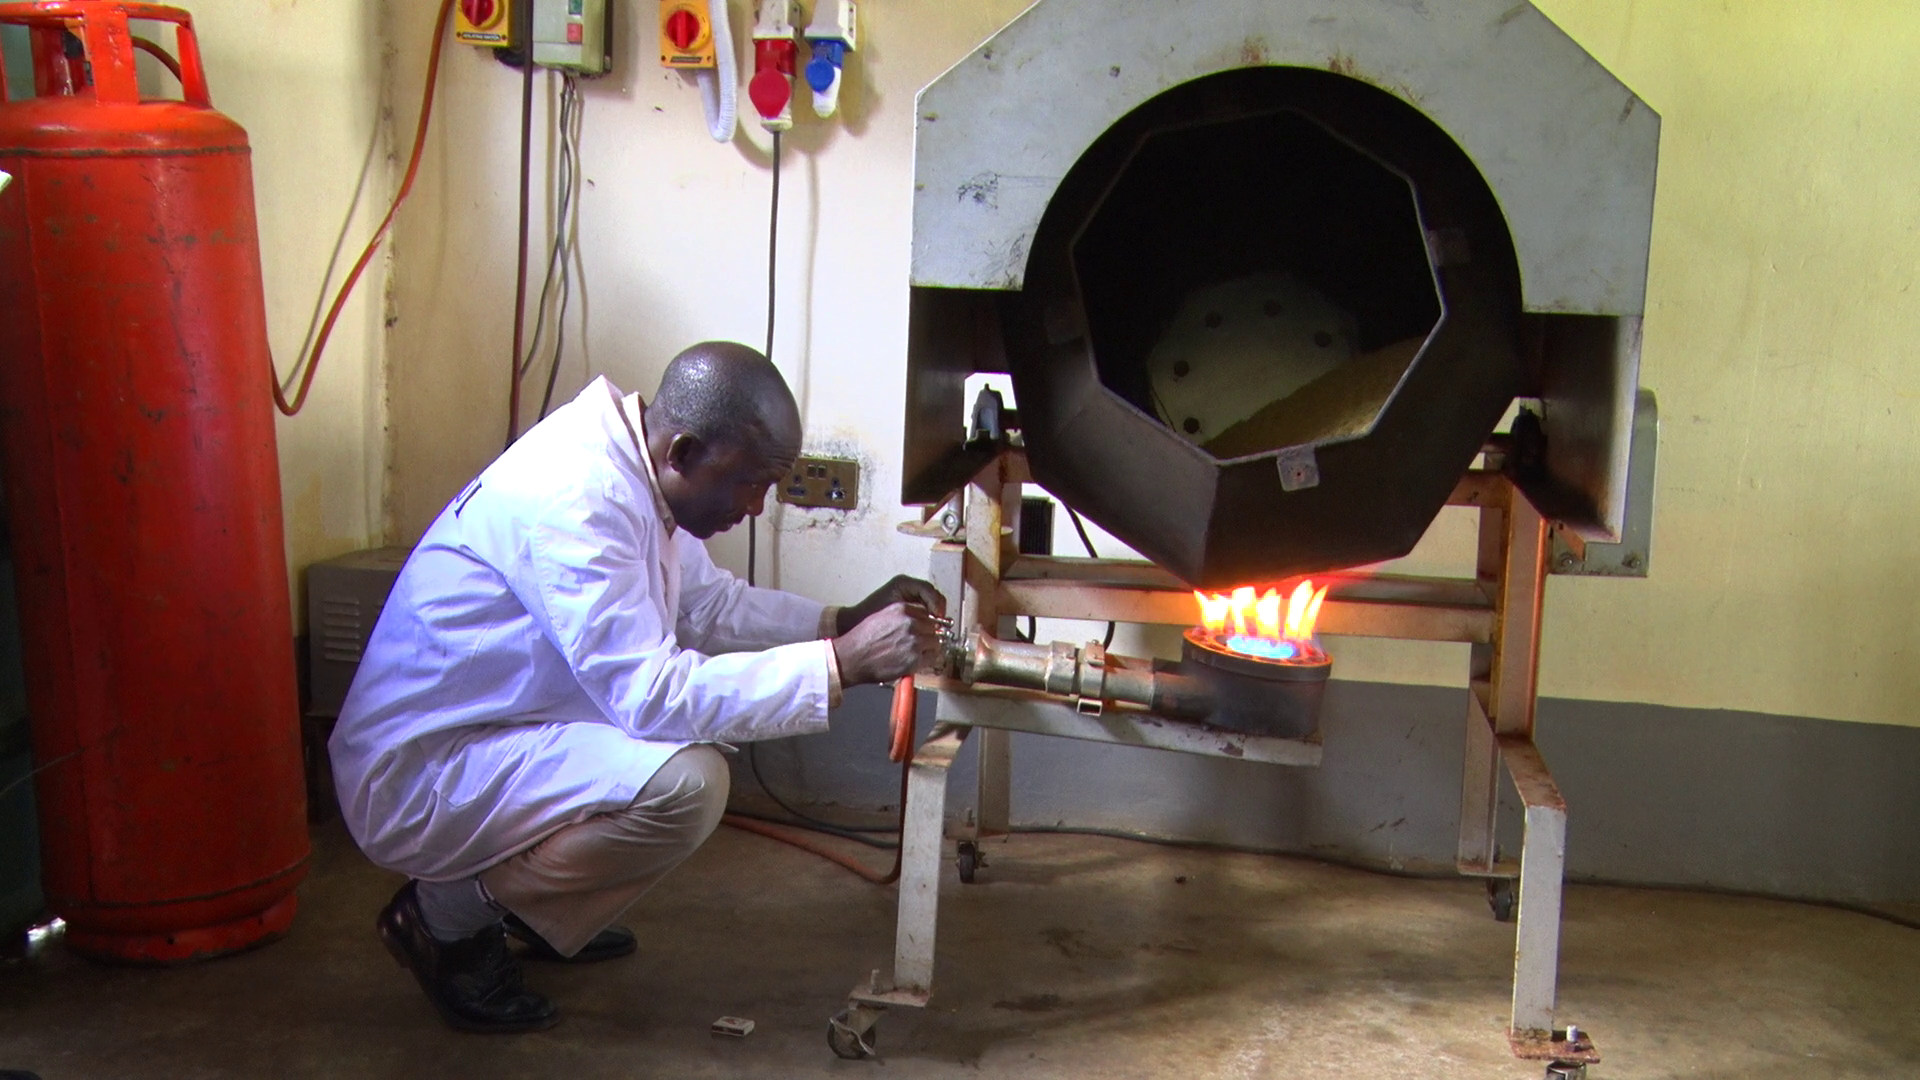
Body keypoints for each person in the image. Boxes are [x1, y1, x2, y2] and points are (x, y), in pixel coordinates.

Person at [328, 341, 944, 1033]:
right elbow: (651, 698)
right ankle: (441, 919)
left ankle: (532, 907)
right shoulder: (579, 500)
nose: (755, 506)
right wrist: (841, 663)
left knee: (669, 763)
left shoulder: (634, 463)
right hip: (421, 773)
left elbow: (707, 608)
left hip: (504, 731)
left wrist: (842, 620)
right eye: (749, 483)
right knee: (685, 784)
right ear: (681, 452)